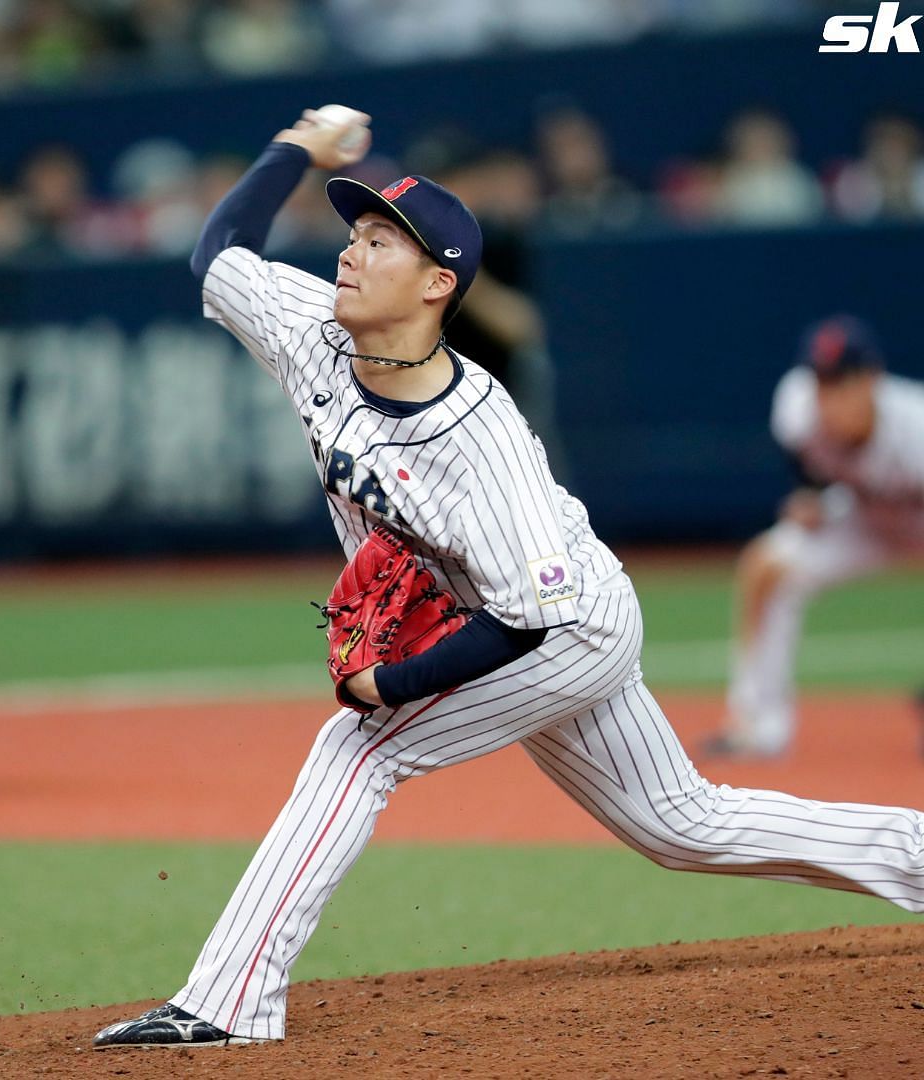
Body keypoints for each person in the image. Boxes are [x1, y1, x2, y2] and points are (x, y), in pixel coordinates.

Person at [91, 106, 924, 1049]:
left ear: (438, 284)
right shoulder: (313, 330)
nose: (352, 254)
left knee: (359, 747)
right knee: (682, 824)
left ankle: (228, 1004)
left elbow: (526, 621)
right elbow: (220, 253)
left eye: (381, 242)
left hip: (567, 628)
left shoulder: (479, 438)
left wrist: (387, 684)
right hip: (513, 613)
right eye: (355, 232)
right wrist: (297, 151)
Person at [707, 317, 924, 758]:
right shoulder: (797, 405)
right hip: (863, 516)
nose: (829, 396)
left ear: (873, 380)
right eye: (822, 381)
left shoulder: (915, 428)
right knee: (768, 565)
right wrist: (812, 497)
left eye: (842, 381)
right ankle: (758, 725)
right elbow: (803, 467)